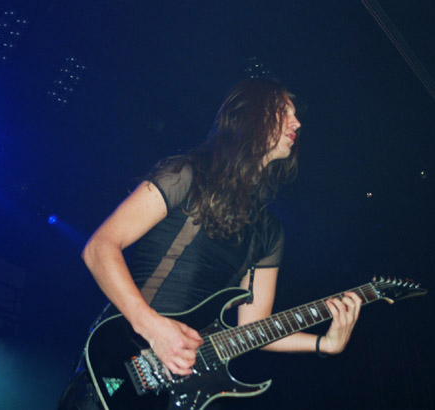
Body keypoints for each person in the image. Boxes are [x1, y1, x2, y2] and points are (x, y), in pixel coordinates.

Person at [58, 78, 362, 409]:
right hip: (124, 355)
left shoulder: (270, 231)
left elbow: (253, 326)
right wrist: (152, 327)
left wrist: (324, 343)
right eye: (284, 112)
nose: (297, 123)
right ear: (251, 116)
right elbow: (100, 247)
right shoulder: (185, 175)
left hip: (181, 387)